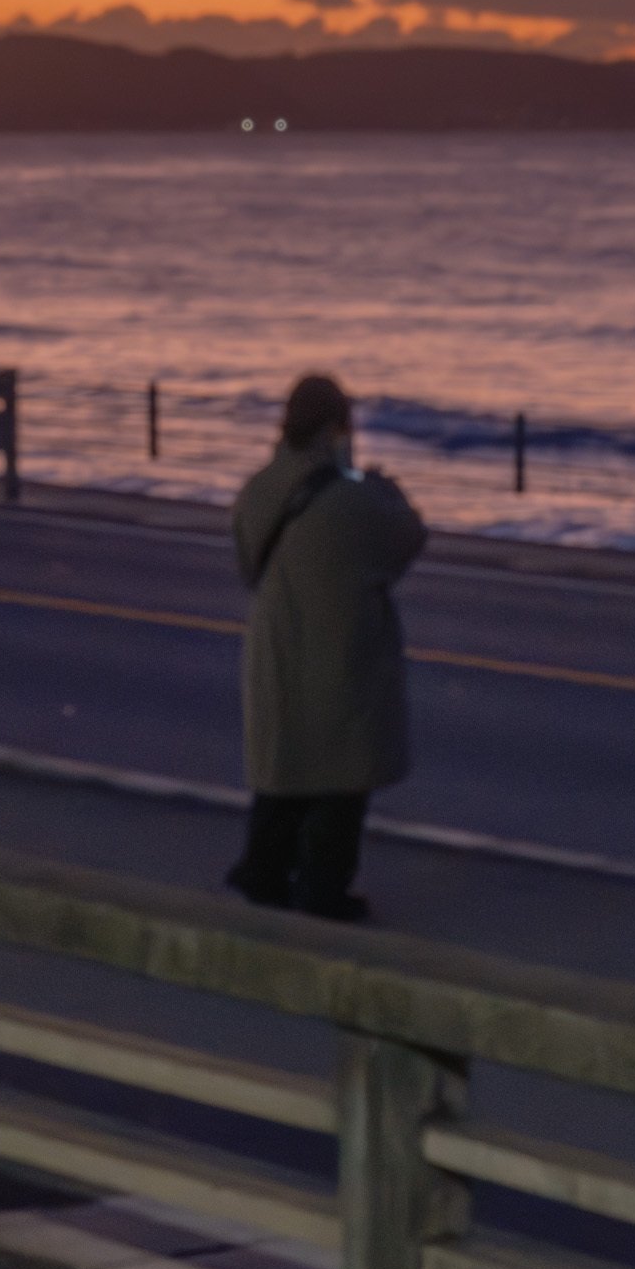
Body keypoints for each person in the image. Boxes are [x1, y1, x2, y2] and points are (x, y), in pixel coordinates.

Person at [226, 372, 426, 919]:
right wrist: (385, 488)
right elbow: (407, 538)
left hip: (275, 647)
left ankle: (262, 872)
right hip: (339, 655)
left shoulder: (259, 489)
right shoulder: (354, 503)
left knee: (284, 771)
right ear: (337, 428)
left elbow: (248, 565)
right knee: (340, 780)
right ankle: (322, 888)